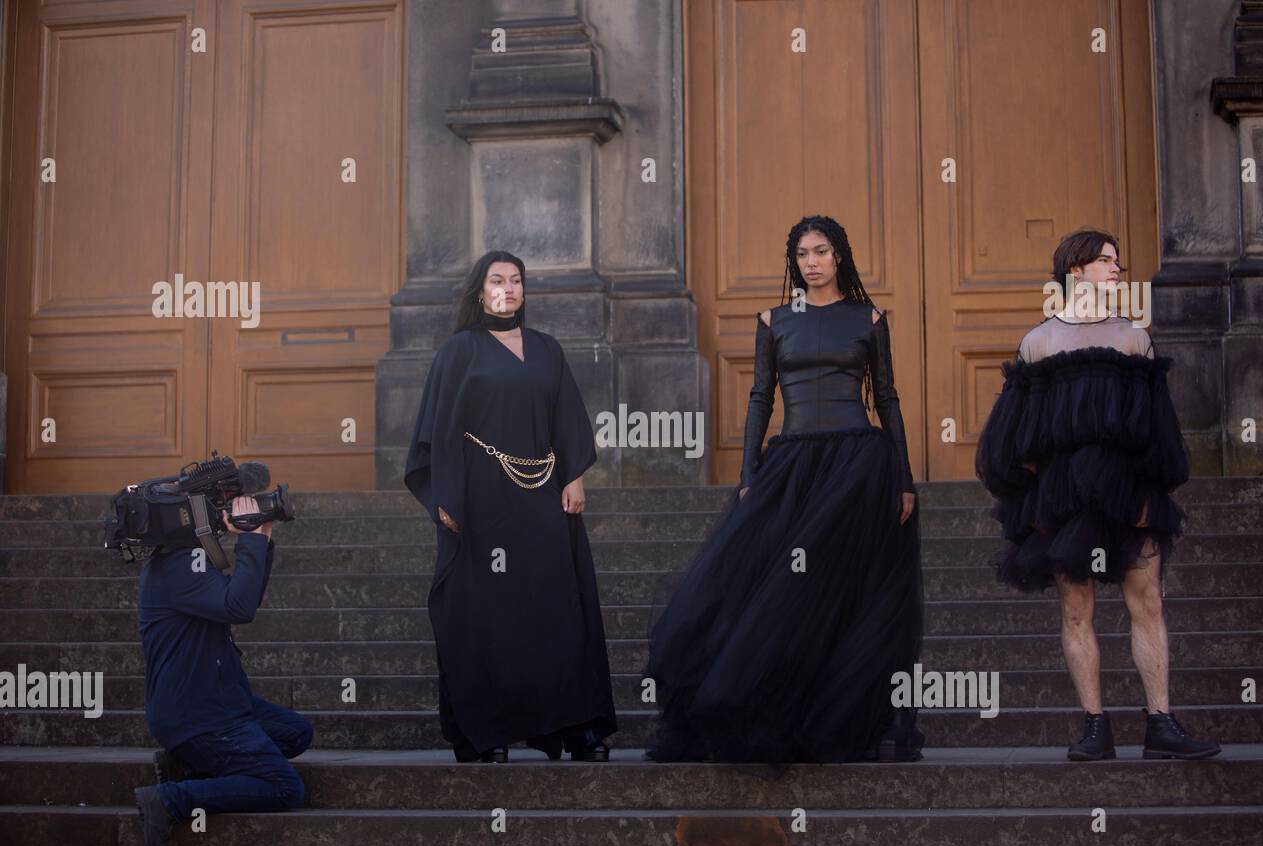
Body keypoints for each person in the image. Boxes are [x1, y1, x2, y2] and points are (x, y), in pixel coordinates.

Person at [644, 215, 925, 766]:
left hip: (858, 466)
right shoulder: (774, 320)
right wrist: (749, 474)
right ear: (793, 261)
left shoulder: (867, 318)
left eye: (821, 251)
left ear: (839, 256)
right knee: (775, 593)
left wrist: (904, 477)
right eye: (802, 254)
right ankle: (769, 708)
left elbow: (887, 398)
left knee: (848, 593)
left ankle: (842, 714)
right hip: (792, 463)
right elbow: (759, 398)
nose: (812, 262)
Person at [975, 228, 1220, 761]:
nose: (1116, 268)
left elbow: (1158, 428)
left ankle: (1161, 723)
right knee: (1076, 610)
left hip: (1128, 492)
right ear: (1075, 270)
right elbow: (1011, 436)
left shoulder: (1133, 338)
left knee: (1147, 602)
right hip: (1064, 499)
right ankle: (1094, 726)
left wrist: (1142, 489)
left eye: (1117, 260)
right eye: (1106, 260)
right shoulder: (1038, 343)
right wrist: (1046, 486)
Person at [404, 250, 616, 763]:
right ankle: (487, 732)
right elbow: (436, 435)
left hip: (543, 493)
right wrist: (446, 501)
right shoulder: (459, 352)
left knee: (556, 610)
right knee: (488, 616)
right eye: (497, 279)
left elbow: (567, 418)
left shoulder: (547, 350)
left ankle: (574, 727)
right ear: (480, 292)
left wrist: (576, 477)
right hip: (480, 499)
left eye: (516, 280)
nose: (508, 287)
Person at [133, 495, 313, 846]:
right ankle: (170, 799)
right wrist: (251, 541)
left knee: (296, 733)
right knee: (284, 787)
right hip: (197, 715)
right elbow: (239, 607)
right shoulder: (177, 568)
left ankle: (190, 765)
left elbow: (243, 597)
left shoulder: (185, 562)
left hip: (222, 701)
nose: (220, 516)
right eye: (213, 509)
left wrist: (261, 537)